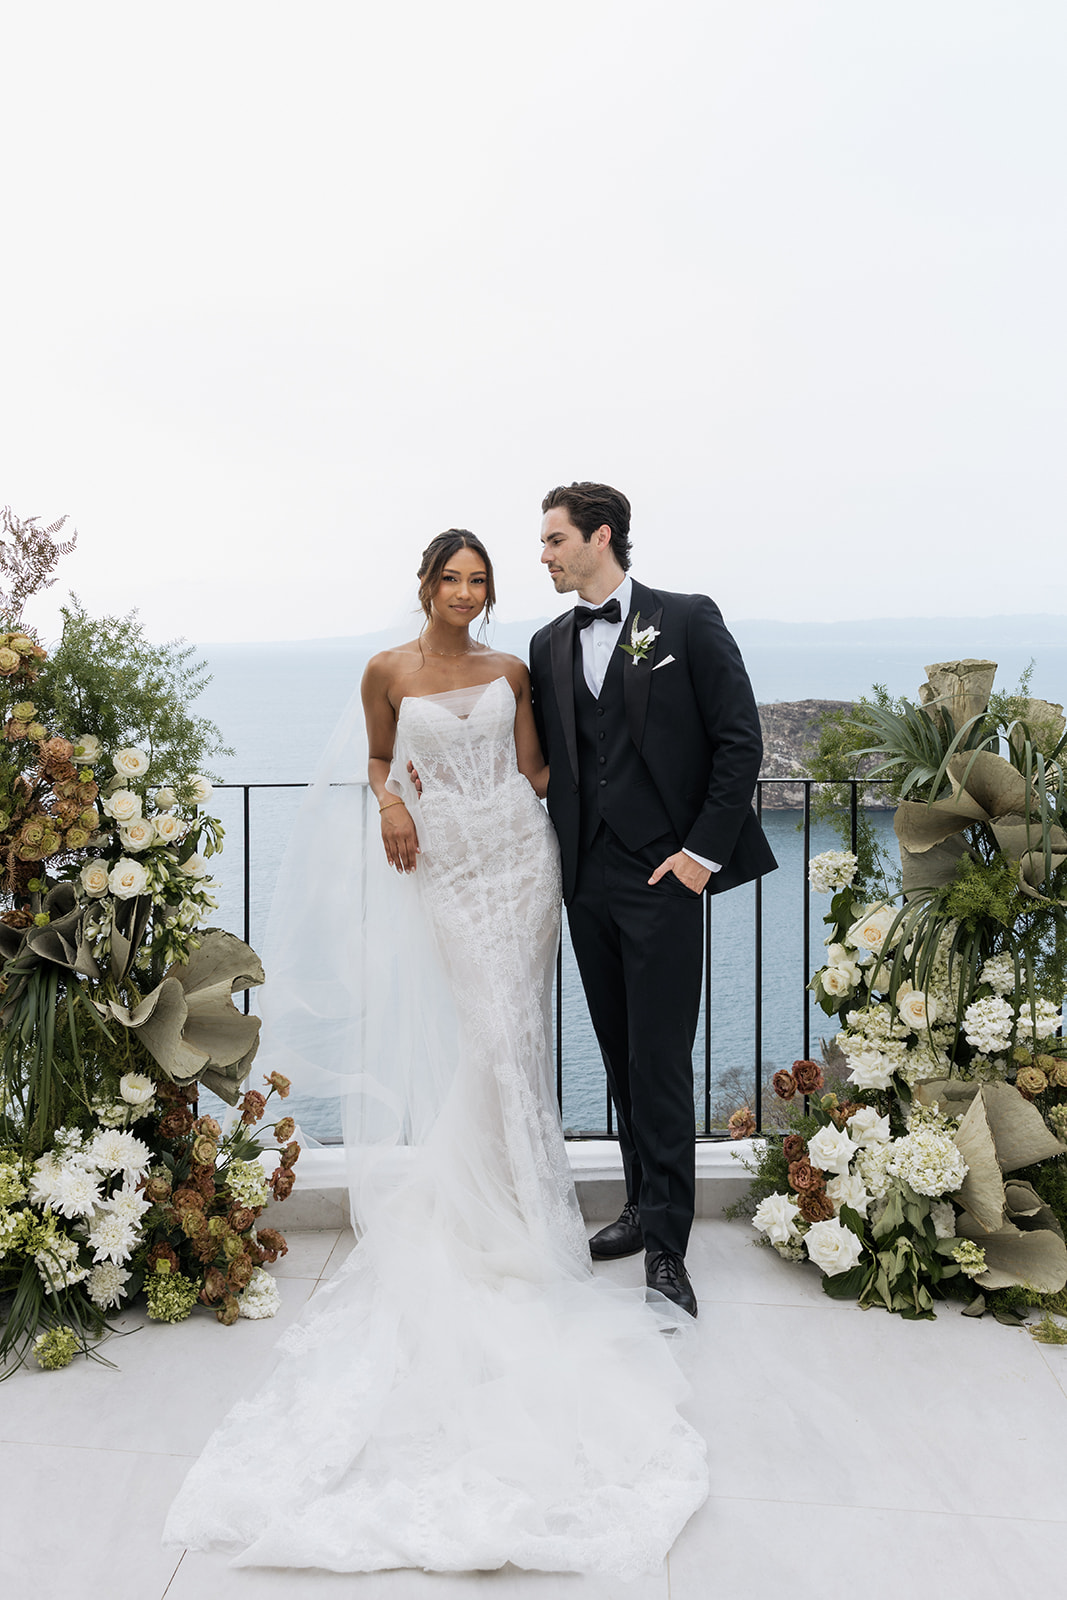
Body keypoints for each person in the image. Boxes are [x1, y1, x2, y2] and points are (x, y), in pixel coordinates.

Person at [163, 529, 708, 1577]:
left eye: (480, 579)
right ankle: (512, 1206)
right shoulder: (386, 670)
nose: (465, 592)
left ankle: (514, 1202)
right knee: (492, 1035)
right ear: (423, 586)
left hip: (519, 856)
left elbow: (543, 767)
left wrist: (628, 821)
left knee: (514, 1035)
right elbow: (376, 753)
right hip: (444, 866)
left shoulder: (511, 670)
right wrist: (391, 800)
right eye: (450, 578)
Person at [530, 483, 777, 1319]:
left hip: (665, 879)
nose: (545, 554)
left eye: (555, 539)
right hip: (586, 882)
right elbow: (551, 761)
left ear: (600, 536)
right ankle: (641, 1206)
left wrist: (700, 855)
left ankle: (668, 1248)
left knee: (662, 1064)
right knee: (621, 1059)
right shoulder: (546, 642)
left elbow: (739, 742)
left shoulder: (685, 619)